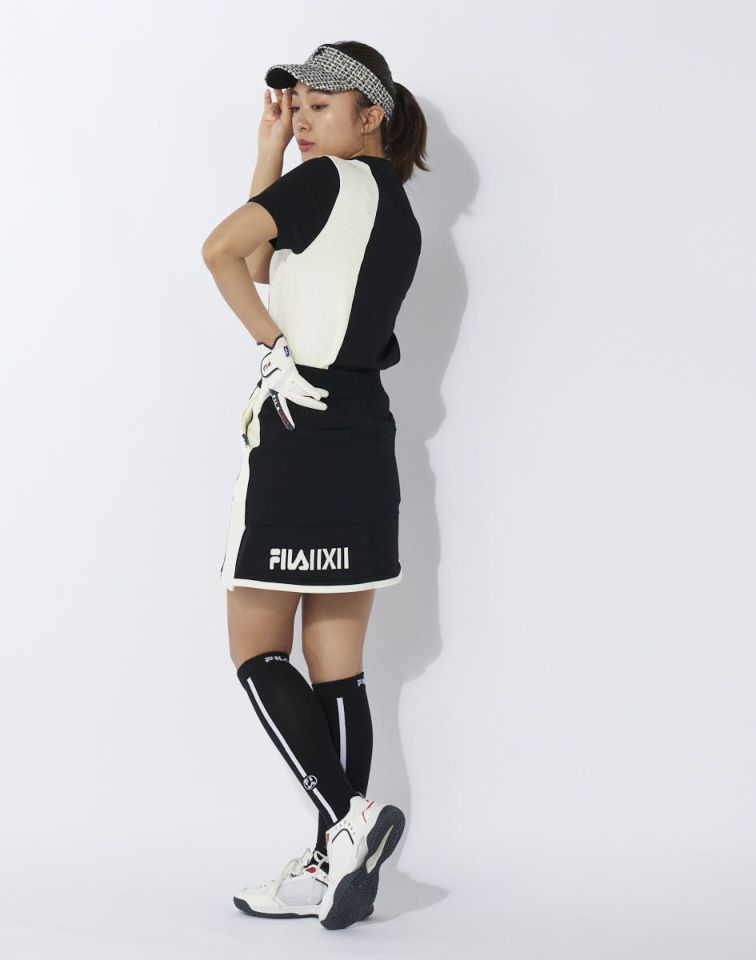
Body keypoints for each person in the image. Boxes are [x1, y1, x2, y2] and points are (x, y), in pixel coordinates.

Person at [201, 40, 428, 930]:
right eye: (295, 108)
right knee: (339, 668)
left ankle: (348, 823)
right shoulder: (393, 206)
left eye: (319, 107)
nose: (300, 122)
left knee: (257, 649)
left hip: (301, 431)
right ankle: (335, 866)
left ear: (371, 116)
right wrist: (270, 150)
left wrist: (272, 349)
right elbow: (269, 262)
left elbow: (225, 251)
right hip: (366, 435)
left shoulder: (325, 182)